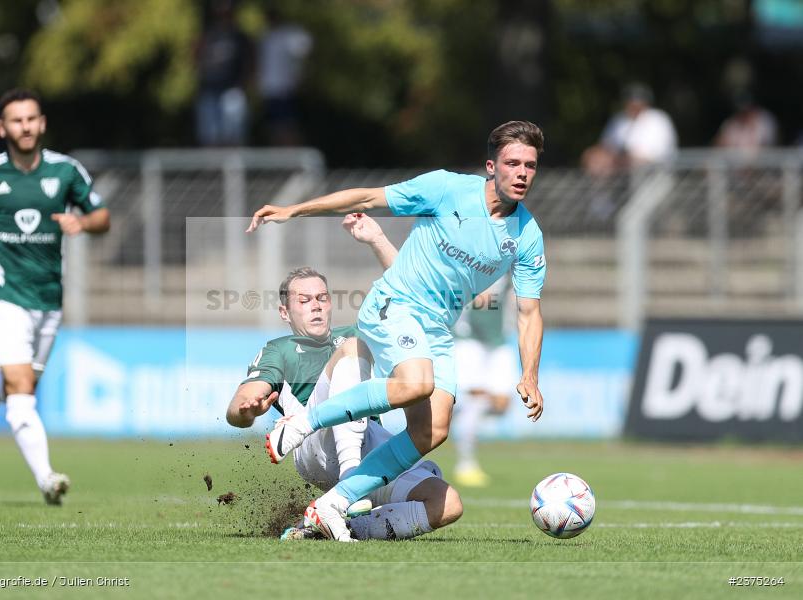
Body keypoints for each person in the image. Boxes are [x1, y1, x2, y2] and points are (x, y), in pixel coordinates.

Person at [246, 120, 547, 541]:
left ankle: (332, 506)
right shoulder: (447, 189)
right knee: (416, 383)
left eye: (530, 166)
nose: (521, 173)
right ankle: (299, 424)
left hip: (437, 328)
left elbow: (529, 313)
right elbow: (369, 196)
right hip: (395, 304)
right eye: (512, 163)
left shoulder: (528, 237)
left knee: (433, 429)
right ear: (490, 166)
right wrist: (294, 210)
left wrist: (529, 374)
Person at [226, 217, 463, 541]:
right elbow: (238, 408)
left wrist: (378, 238)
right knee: (355, 346)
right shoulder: (279, 350)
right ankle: (353, 478)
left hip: (369, 440)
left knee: (447, 504)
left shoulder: (354, 333)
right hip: (315, 447)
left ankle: (330, 523)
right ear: (285, 312)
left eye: (322, 298)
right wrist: (248, 409)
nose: (316, 307)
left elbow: (409, 292)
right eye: (304, 300)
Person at [0, 88, 111, 505]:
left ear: (42, 123)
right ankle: (47, 478)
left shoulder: (65, 171)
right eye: (16, 120)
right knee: (20, 387)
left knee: (20, 387)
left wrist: (82, 224)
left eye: (32, 119)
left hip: (48, 297)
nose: (25, 127)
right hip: (2, 293)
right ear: (2, 128)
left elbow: (102, 216)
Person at [452, 279, 517, 487]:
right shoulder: (470, 258)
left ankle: (451, 414)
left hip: (498, 339)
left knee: (502, 404)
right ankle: (466, 465)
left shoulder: (511, 258)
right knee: (476, 399)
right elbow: (481, 299)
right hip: (470, 338)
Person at [581, 82, 677, 177]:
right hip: (620, 173)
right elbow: (605, 147)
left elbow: (651, 156)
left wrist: (620, 159)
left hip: (654, 174)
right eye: (630, 102)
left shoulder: (658, 119)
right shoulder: (619, 120)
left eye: (637, 102)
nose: (633, 106)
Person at [194, 0, 253, 146]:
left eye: (227, 12)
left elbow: (250, 62)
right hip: (209, 90)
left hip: (232, 90)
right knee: (210, 138)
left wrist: (244, 83)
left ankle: (232, 169)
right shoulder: (207, 35)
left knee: (233, 137)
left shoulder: (240, 37)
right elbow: (195, 57)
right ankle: (213, 168)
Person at [256, 8, 312, 146]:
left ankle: (295, 158)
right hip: (269, 90)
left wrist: (300, 73)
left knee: (288, 126)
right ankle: (281, 161)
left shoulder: (288, 34)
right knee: (274, 128)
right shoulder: (265, 37)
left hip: (285, 89)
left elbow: (306, 48)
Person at [713, 91, 779, 151]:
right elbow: (718, 144)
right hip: (735, 162)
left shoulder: (765, 120)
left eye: (746, 111)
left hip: (762, 162)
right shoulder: (731, 123)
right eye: (741, 111)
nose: (744, 114)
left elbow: (773, 143)